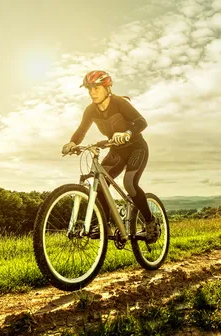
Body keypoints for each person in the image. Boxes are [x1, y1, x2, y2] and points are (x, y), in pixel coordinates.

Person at [61, 70, 158, 242]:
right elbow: (81, 130)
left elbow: (142, 122)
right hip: (117, 151)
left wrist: (127, 132)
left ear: (107, 88)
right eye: (89, 89)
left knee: (130, 184)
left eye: (96, 88)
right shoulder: (90, 110)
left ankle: (150, 222)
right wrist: (72, 143)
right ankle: (104, 225)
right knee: (100, 184)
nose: (92, 92)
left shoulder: (119, 103)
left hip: (137, 148)